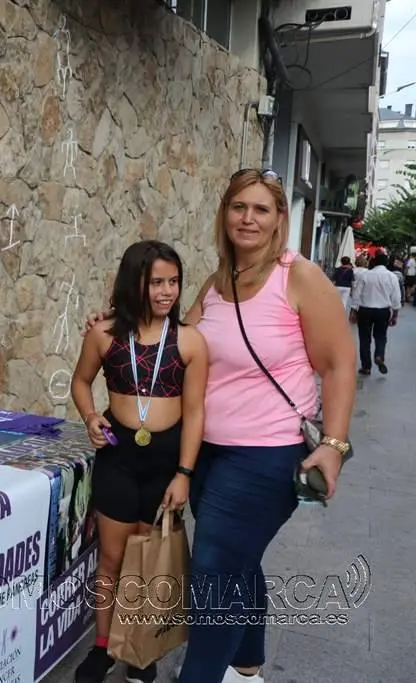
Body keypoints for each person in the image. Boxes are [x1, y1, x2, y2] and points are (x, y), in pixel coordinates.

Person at [84, 169, 356, 683]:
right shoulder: (214, 284)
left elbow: (340, 363)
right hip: (204, 453)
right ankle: (247, 666)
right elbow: (170, 343)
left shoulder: (298, 277)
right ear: (224, 214)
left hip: (265, 456)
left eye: (261, 209)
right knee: (237, 562)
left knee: (213, 570)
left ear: (279, 220)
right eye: (239, 207)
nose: (248, 218)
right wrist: (117, 321)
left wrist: (335, 445)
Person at [70, 240, 208, 683]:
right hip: (118, 456)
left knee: (149, 562)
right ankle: (103, 648)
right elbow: (80, 381)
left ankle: (141, 651)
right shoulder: (105, 333)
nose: (167, 292)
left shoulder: (189, 340)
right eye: (156, 283)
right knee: (111, 560)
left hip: (166, 465)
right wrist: (90, 415)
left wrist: (185, 472)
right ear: (135, 284)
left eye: (173, 282)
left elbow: (196, 412)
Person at [350, 250, 401, 375]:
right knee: (380, 336)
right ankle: (379, 355)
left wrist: (353, 311)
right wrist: (395, 314)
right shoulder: (391, 276)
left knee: (364, 339)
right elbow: (396, 297)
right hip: (383, 311)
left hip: (365, 310)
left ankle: (366, 367)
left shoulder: (365, 275)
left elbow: (357, 294)